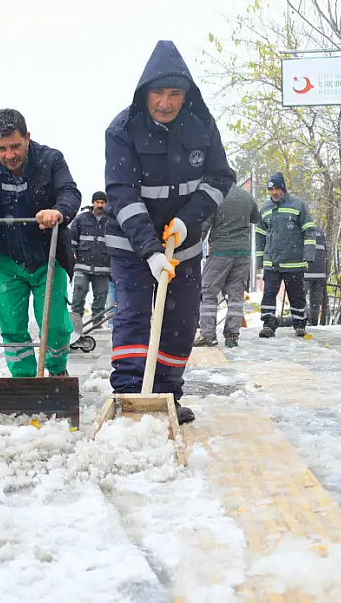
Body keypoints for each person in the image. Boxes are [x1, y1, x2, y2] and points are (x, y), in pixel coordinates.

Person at [103, 40, 234, 425]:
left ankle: (165, 394)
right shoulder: (122, 130)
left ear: (186, 94)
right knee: (135, 315)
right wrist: (149, 248)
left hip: (185, 244)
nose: (166, 102)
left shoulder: (201, 125)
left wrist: (187, 221)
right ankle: (129, 395)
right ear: (145, 93)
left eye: (175, 93)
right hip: (131, 245)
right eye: (158, 92)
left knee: (180, 320)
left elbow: (219, 177)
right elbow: (122, 193)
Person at [0, 108, 81, 377]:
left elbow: (69, 191)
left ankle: (57, 372)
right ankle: (24, 381)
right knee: (11, 326)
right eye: (1, 148)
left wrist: (58, 211)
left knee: (56, 326)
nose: (9, 155)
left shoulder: (50, 159)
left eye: (15, 146)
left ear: (27, 138)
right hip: (5, 259)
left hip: (48, 257)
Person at [195, 177, 260, 348]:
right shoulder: (247, 197)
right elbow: (256, 219)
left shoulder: (217, 196)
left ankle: (208, 335)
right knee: (236, 296)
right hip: (243, 253)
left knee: (208, 291)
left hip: (220, 251)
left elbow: (205, 226)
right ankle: (232, 335)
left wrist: (194, 249)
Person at [255, 172, 316, 338]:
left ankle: (299, 324)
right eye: (271, 189)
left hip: (294, 261)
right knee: (268, 293)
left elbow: (309, 231)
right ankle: (268, 324)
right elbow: (260, 234)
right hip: (271, 262)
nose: (274, 192)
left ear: (283, 189)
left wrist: (308, 255)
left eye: (277, 188)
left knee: (296, 295)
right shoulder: (266, 208)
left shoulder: (298, 205)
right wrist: (259, 259)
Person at [67, 191, 111, 336]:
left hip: (103, 268)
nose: (100, 205)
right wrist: (71, 256)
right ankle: (75, 329)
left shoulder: (111, 220)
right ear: (92, 203)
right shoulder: (81, 219)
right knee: (78, 295)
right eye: (97, 202)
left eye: (102, 202)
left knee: (101, 297)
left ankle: (97, 326)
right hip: (82, 266)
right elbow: (71, 240)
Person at [303, 225, 328, 326]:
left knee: (299, 298)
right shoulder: (320, 233)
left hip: (306, 271)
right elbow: (325, 251)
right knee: (315, 300)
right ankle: (313, 322)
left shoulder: (301, 232)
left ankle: (305, 319)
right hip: (320, 273)